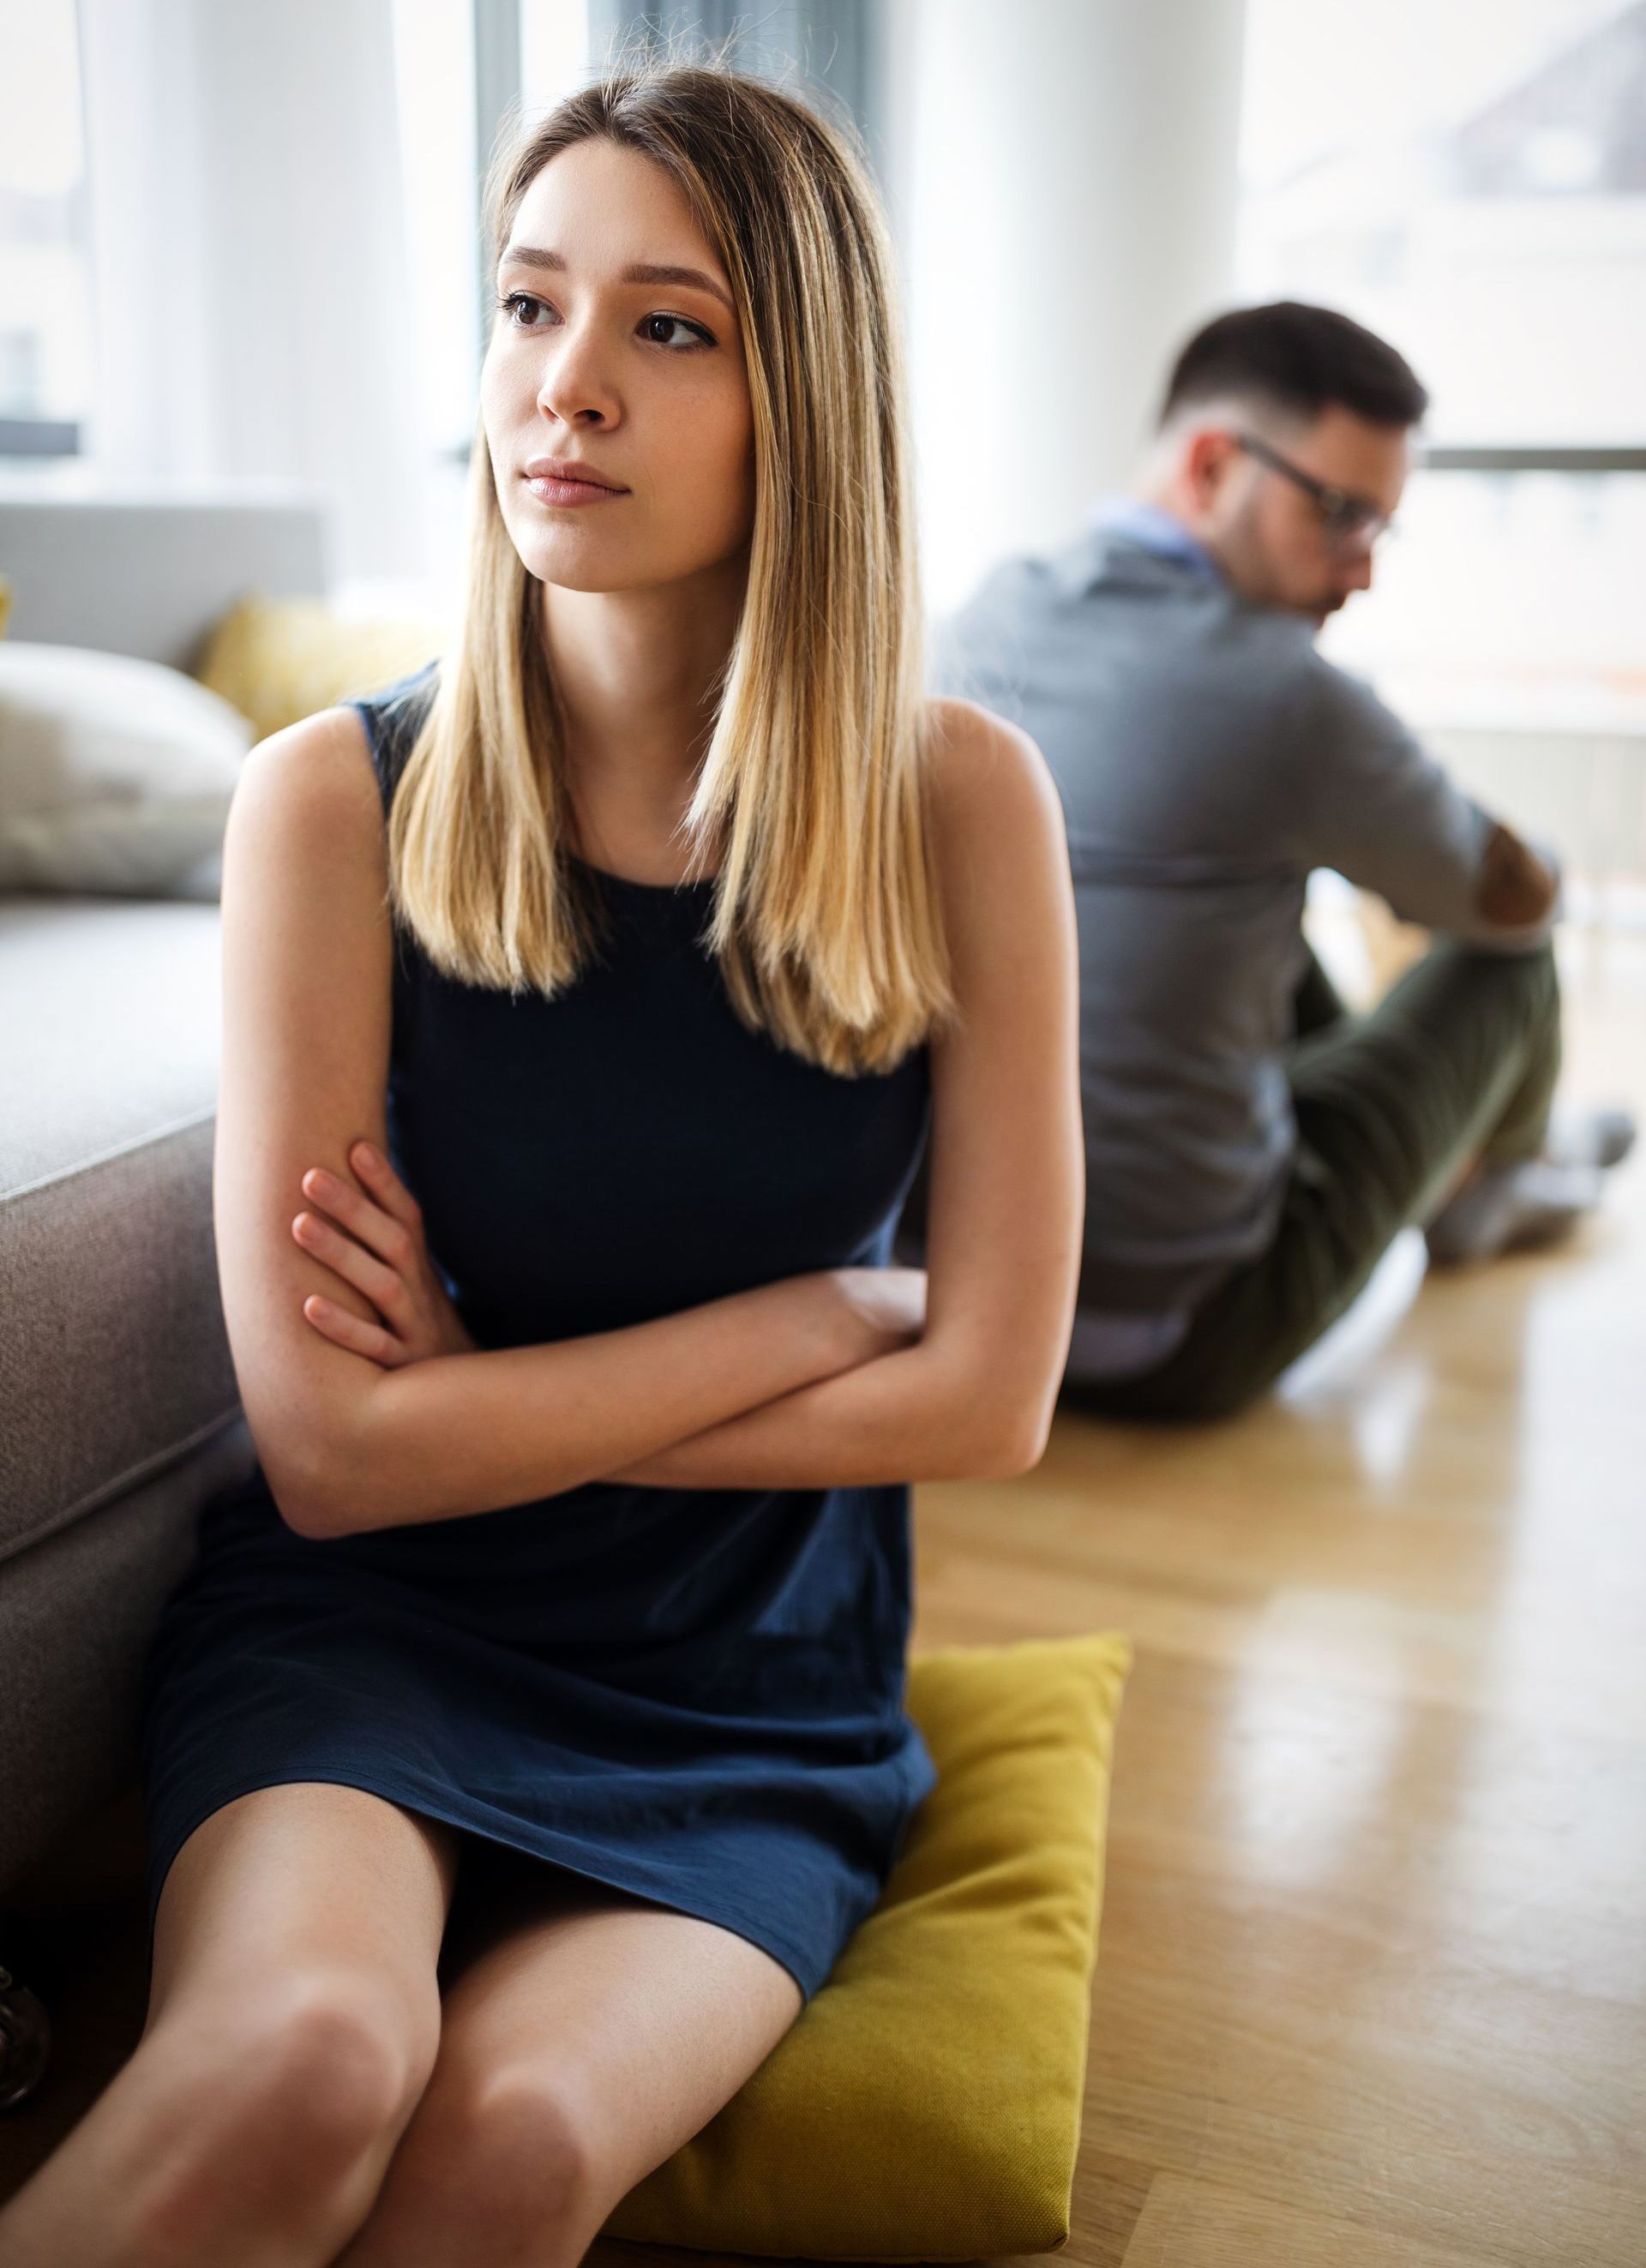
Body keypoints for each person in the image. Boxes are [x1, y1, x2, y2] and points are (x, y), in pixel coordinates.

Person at [0, 64, 1081, 2268]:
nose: (560, 390)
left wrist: (463, 1413)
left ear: (810, 403)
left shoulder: (962, 803)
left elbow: (990, 1399)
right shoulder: (330, 802)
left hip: (751, 1684)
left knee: (501, 2147)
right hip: (379, 1627)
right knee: (300, 2064)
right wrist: (805, 1323)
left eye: (666, 328)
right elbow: (329, 1464)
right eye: (526, 307)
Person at [933, 298, 1632, 1425]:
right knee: (1516, 968)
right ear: (1212, 464)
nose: (1361, 573)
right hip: (1182, 1330)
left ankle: (1503, 1166)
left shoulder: (974, 617)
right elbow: (1503, 903)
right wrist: (1530, 858)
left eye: (1379, 532)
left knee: (1251, 901)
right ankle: (1497, 1185)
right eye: (1343, 515)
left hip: (965, 1308)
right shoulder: (1287, 696)